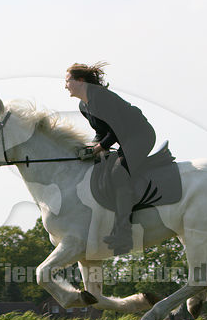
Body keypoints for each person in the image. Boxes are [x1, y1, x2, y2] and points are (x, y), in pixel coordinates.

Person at [65, 62, 157, 255]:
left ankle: (124, 232)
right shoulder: (83, 105)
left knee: (118, 173)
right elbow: (101, 132)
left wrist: (99, 147)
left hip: (140, 136)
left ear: (80, 80)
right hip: (124, 138)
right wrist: (89, 149)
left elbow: (117, 129)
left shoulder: (101, 98)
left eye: (68, 81)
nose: (65, 86)